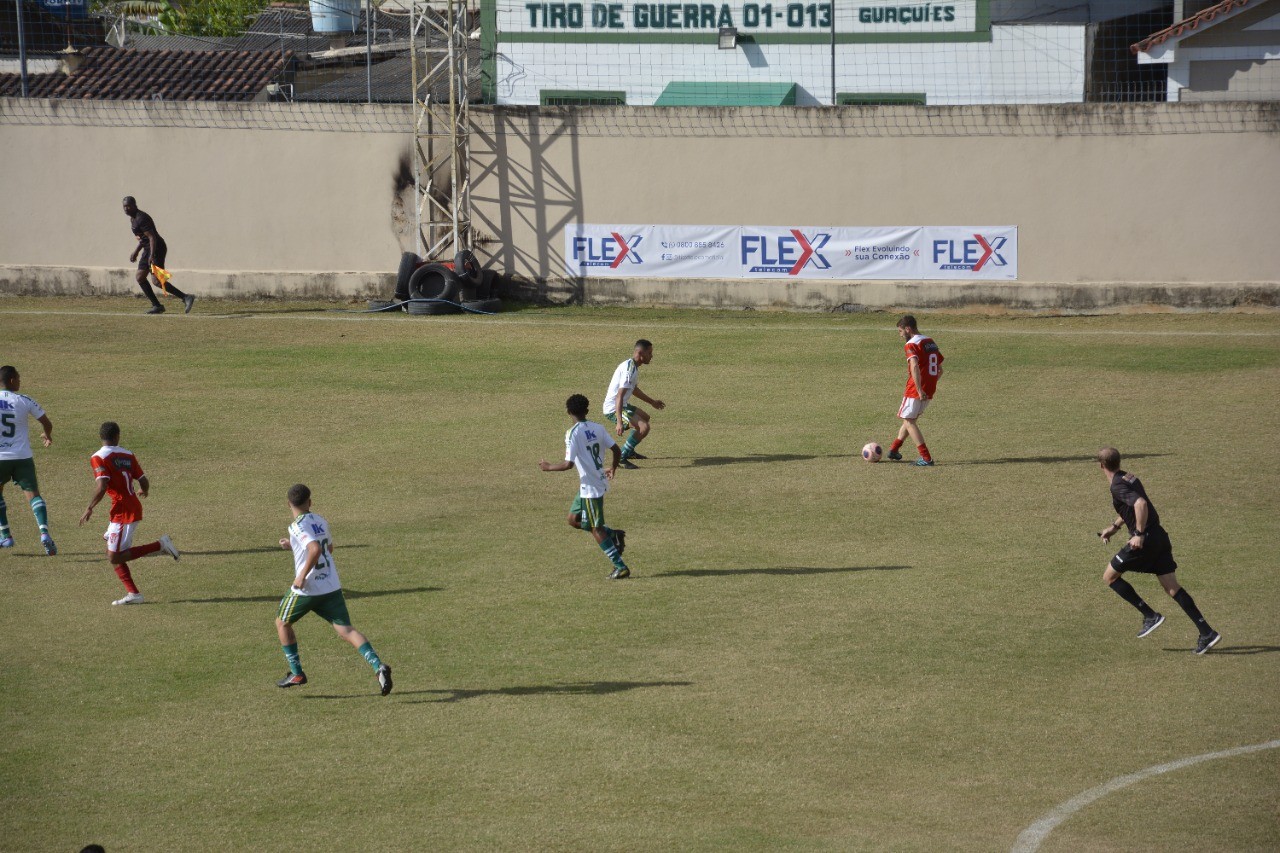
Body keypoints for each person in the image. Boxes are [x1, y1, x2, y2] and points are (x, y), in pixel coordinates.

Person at [1096, 447, 1221, 655]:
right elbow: (1132, 507)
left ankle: (1150, 615)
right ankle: (1207, 632)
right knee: (1172, 586)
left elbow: (1141, 504)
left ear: (1100, 466)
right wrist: (1115, 527)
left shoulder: (1117, 486)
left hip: (1146, 540)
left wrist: (1138, 533)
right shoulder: (1129, 478)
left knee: (1109, 576)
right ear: (1119, 461)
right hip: (1160, 537)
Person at [275, 484, 393, 694]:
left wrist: (301, 576)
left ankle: (297, 673)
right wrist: (293, 546)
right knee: (346, 630)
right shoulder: (321, 520)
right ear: (310, 502)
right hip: (331, 585)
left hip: (308, 589)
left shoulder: (295, 526)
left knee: (282, 623)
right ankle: (378, 666)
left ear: (288, 504)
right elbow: (328, 548)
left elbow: (315, 549)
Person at [79, 422, 180, 605]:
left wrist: (90, 507)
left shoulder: (98, 457)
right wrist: (144, 491)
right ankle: (133, 593)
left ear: (101, 437)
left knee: (114, 556)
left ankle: (160, 546)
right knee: (112, 546)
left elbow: (102, 486)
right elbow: (143, 480)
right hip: (127, 507)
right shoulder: (128, 454)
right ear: (117, 436)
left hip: (124, 511)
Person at [540, 394, 630, 580]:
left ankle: (620, 566)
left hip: (592, 488)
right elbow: (616, 450)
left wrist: (548, 467)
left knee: (596, 529)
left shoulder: (572, 433)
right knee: (573, 520)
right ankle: (613, 534)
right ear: (587, 410)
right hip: (589, 485)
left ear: (568, 412)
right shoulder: (598, 428)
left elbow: (568, 464)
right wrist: (613, 467)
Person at [0, 366, 56, 555]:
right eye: (19, 378)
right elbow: (47, 423)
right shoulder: (24, 400)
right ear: (12, 380)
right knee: (34, 495)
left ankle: (6, 536)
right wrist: (47, 435)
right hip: (22, 457)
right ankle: (44, 533)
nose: (20, 381)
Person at [885, 315, 943, 466]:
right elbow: (940, 369)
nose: (900, 335)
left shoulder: (911, 344)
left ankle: (926, 458)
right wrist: (930, 384)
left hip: (916, 388)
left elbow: (914, 366)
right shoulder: (930, 341)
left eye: (900, 331)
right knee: (910, 418)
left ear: (908, 328)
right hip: (930, 387)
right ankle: (894, 449)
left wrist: (919, 389)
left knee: (909, 421)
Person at [123, 196, 195, 315]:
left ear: (135, 205)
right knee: (140, 277)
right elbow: (143, 238)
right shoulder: (133, 219)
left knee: (156, 281)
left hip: (157, 248)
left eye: (128, 206)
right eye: (124, 207)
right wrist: (136, 251)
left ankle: (186, 297)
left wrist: (152, 255)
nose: (126, 209)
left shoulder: (141, 218)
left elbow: (152, 237)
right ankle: (157, 306)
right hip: (148, 249)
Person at [603, 339, 665, 469]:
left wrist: (652, 402)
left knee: (646, 418)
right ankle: (621, 457)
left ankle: (630, 452)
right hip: (613, 408)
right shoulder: (629, 370)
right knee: (644, 427)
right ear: (640, 353)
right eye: (649, 353)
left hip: (622, 405)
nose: (651, 356)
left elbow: (634, 390)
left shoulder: (633, 366)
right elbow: (619, 396)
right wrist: (619, 421)